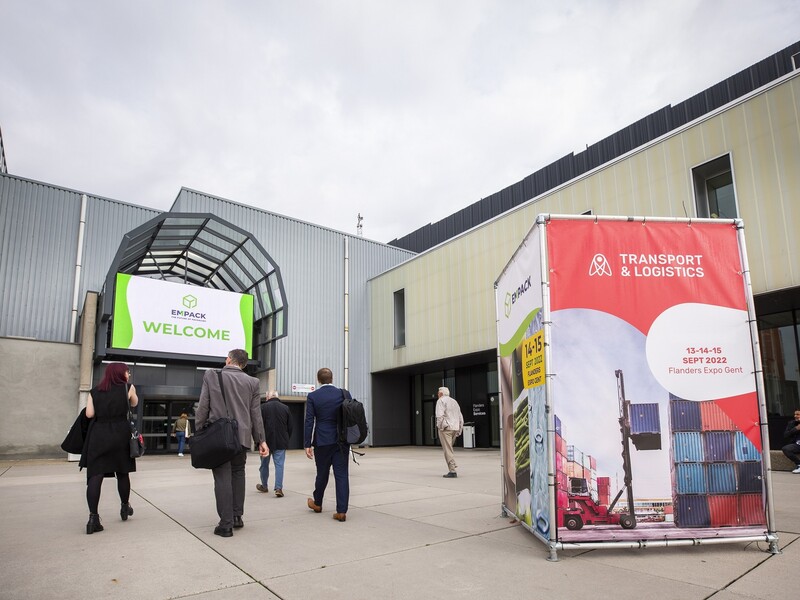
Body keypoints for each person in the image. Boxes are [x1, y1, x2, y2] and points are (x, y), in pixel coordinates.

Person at [196, 349, 269, 537]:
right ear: (243, 364)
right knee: (238, 474)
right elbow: (255, 414)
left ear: (229, 359)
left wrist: (199, 429)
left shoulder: (212, 375)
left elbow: (203, 405)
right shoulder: (252, 382)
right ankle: (237, 517)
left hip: (219, 436)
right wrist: (261, 440)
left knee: (222, 477)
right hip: (241, 437)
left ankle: (225, 524)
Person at [82, 362, 139, 534]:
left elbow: (89, 414)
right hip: (120, 434)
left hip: (99, 435)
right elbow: (134, 404)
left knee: (96, 475)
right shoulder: (128, 388)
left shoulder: (95, 391)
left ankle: (93, 518)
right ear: (121, 373)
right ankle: (124, 506)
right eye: (128, 372)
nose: (129, 375)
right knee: (122, 472)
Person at [304, 368, 350, 522]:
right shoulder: (343, 393)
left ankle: (317, 503)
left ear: (318, 380)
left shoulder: (313, 396)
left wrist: (307, 444)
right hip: (342, 441)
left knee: (322, 473)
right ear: (332, 378)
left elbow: (309, 421)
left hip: (322, 440)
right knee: (342, 475)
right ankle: (341, 511)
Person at [257, 390, 292, 497]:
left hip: (265, 442)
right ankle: (278, 488)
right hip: (281, 442)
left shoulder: (263, 408)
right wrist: (286, 438)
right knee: (279, 465)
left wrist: (259, 441)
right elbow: (290, 426)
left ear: (267, 397)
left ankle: (264, 486)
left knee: (264, 465)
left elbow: (259, 425)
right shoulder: (285, 408)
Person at [436, 386, 464, 478]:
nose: (437, 394)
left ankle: (452, 470)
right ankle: (453, 465)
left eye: (438, 392)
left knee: (447, 449)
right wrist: (459, 428)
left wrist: (440, 427)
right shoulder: (454, 401)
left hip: (446, 428)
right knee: (450, 448)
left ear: (441, 393)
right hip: (455, 428)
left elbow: (439, 416)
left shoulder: (440, 401)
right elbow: (460, 416)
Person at [782, 409, 800, 474]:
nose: (795, 416)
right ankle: (799, 464)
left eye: (798, 414)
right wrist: (795, 429)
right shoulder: (792, 423)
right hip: (797, 445)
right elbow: (786, 435)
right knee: (786, 449)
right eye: (795, 414)